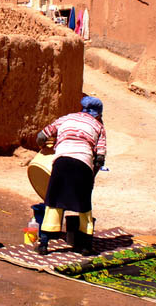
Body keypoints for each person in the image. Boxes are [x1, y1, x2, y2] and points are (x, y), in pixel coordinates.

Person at [35, 96, 106, 256]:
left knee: (53, 201)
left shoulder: (66, 119)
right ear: (98, 114)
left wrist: (43, 147)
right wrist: (91, 175)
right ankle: (86, 246)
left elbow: (42, 136)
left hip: (62, 163)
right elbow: (100, 156)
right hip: (83, 165)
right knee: (84, 205)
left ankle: (44, 244)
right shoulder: (98, 126)